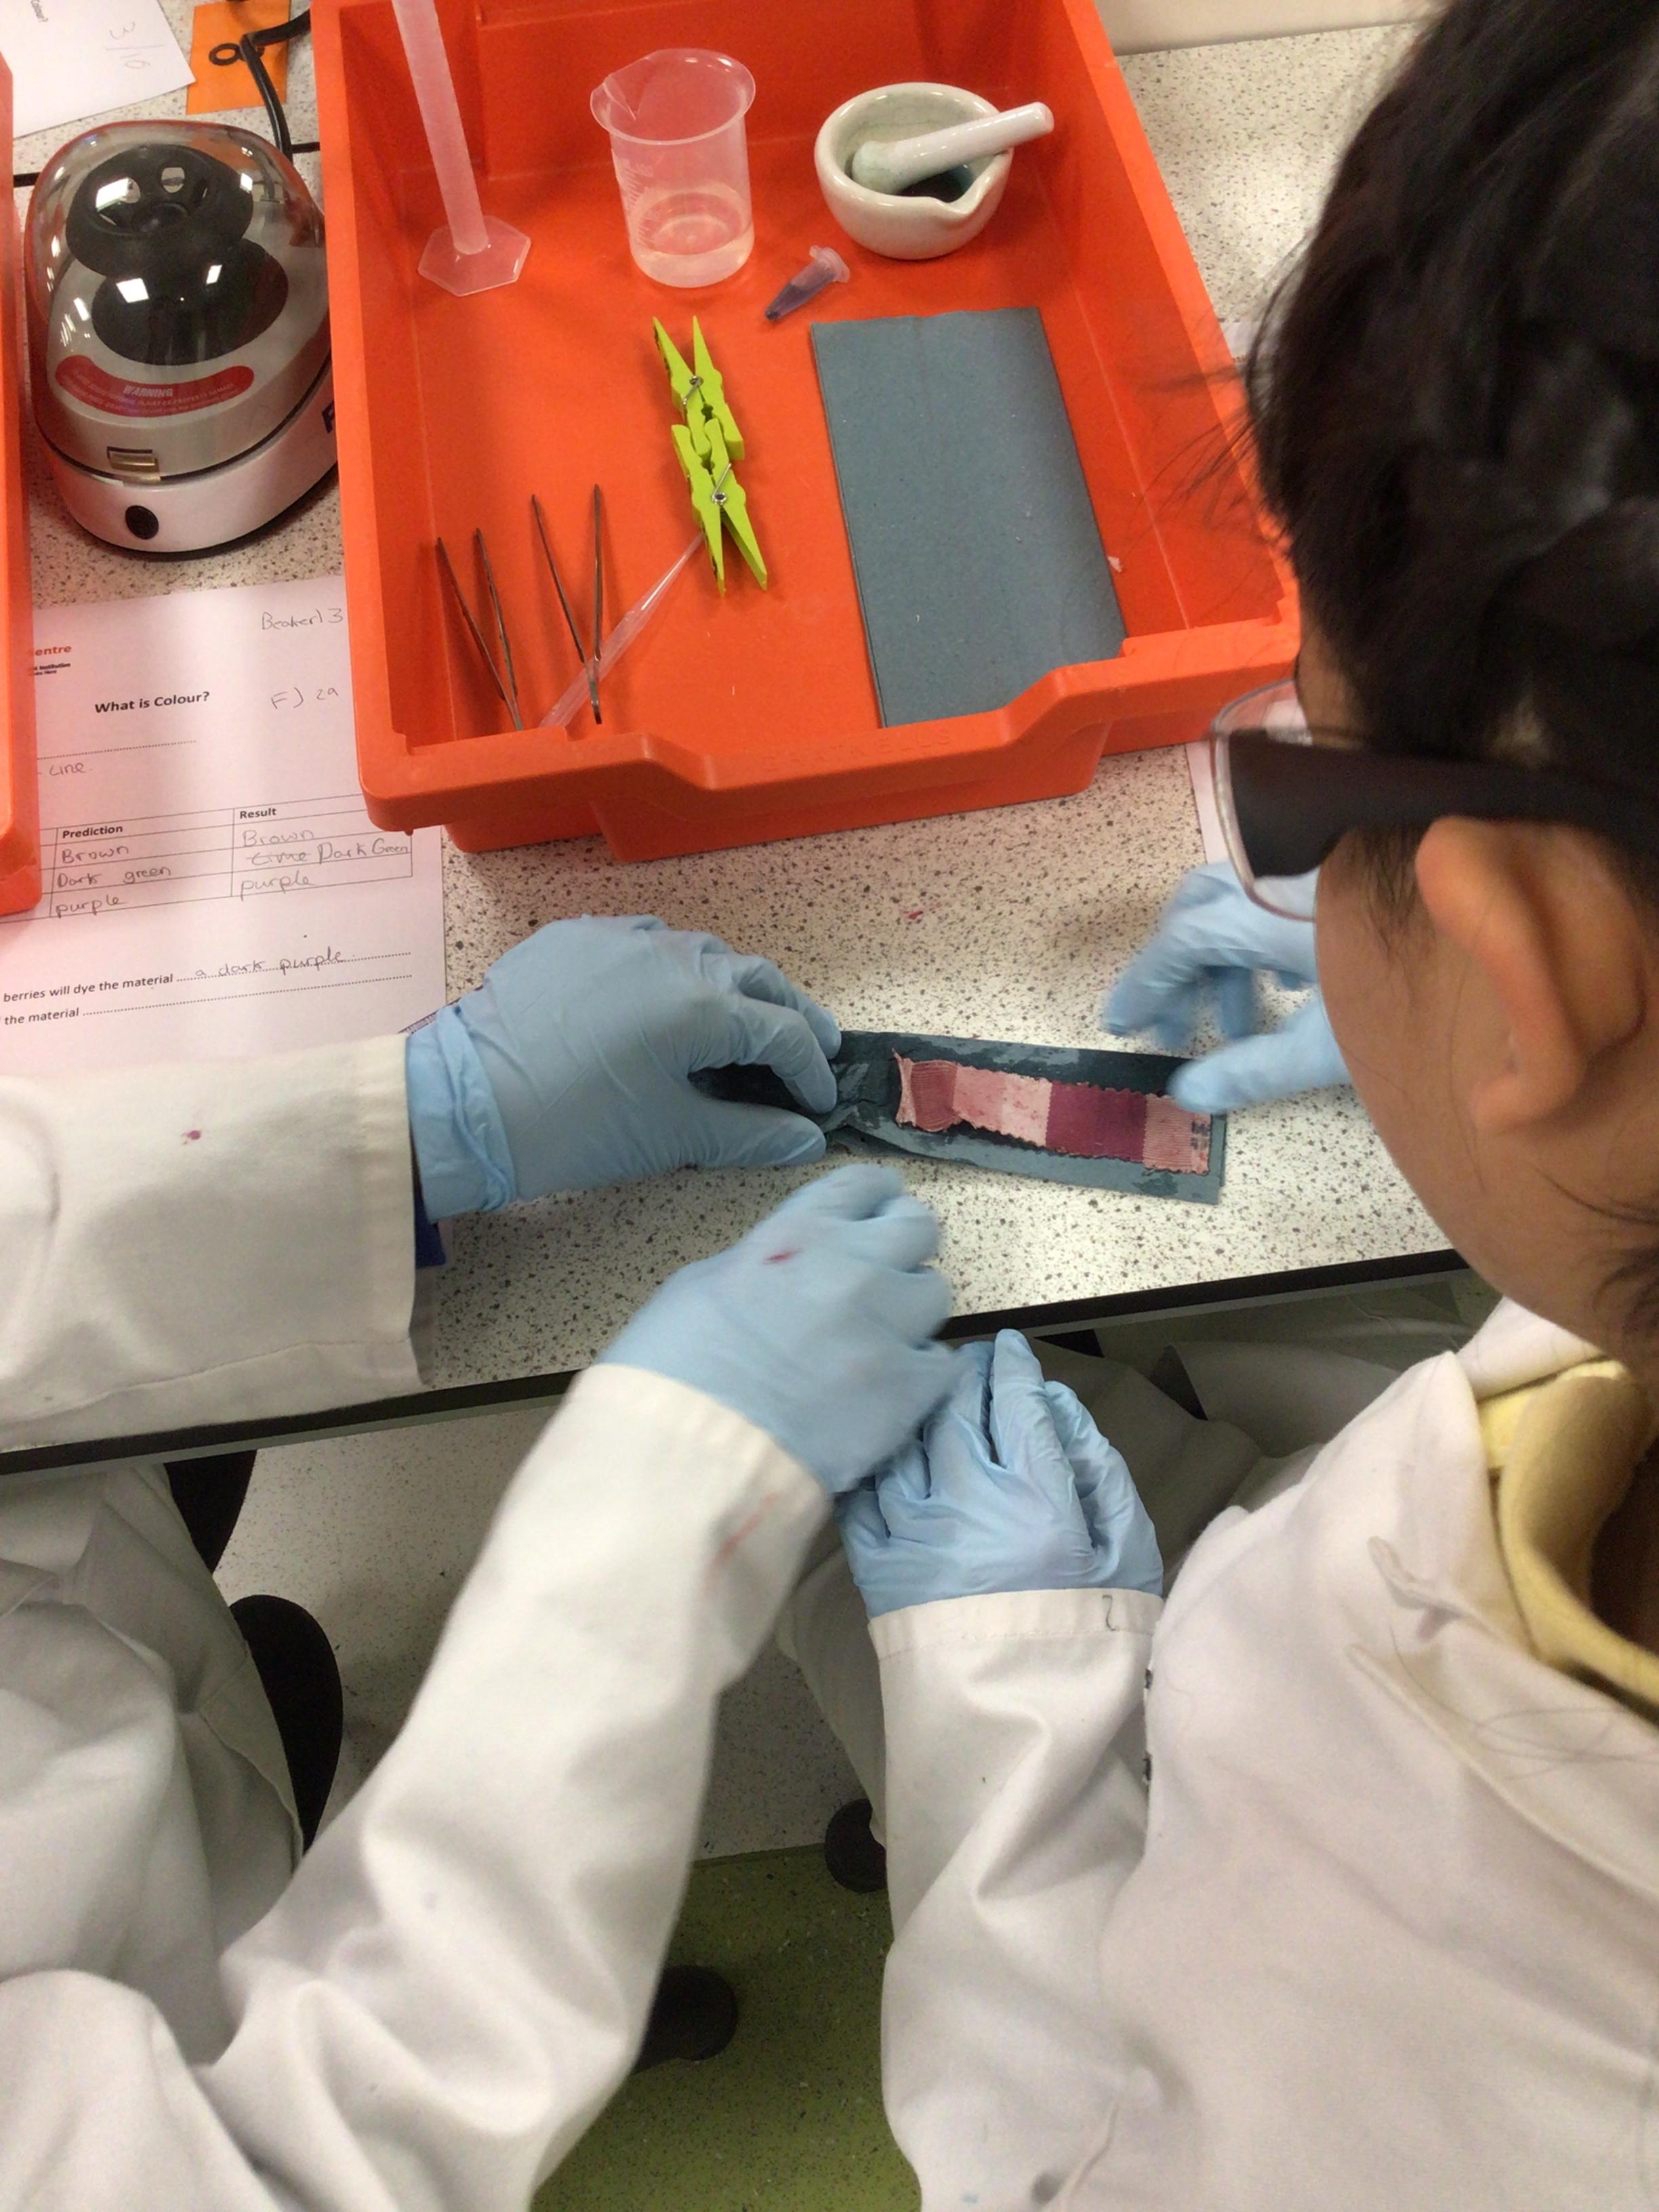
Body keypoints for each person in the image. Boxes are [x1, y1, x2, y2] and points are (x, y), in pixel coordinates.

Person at [777, 1, 1659, 2204]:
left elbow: (1064, 2158)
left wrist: (997, 1725)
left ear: (1530, 958)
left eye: (1313, 787)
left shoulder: (1425, 2035)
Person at [0, 914, 966, 2205]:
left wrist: (416, 1123)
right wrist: (672, 1489)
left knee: (256, 1683)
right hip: (202, 2010)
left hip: (77, 1650)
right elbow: (290, 2169)